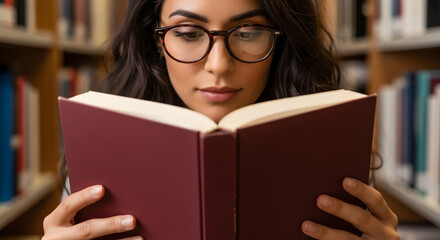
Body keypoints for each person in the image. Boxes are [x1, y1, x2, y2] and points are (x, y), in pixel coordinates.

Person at [42, 0, 400, 239]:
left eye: (248, 33)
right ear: (154, 40)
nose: (219, 65)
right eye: (187, 34)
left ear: (283, 41)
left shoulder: (332, 152)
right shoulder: (98, 161)